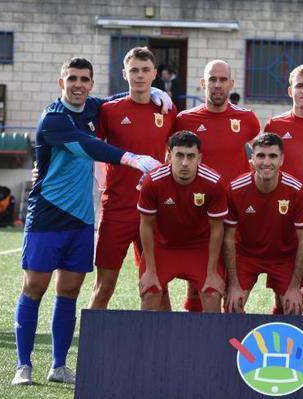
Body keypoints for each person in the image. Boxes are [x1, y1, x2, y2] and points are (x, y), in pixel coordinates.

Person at [11, 57, 164, 386]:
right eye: (72, 79)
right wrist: (132, 158)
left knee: (69, 291)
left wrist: (156, 92)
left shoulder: (94, 107)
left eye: (84, 79)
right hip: (47, 217)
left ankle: (59, 366)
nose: (78, 85)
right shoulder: (53, 119)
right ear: (60, 82)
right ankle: (23, 364)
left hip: (81, 219)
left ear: (91, 83)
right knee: (34, 287)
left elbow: (117, 101)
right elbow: (89, 146)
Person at [88, 47, 176, 311]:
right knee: (104, 286)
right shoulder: (108, 110)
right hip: (117, 207)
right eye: (134, 70)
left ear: (155, 74)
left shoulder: (168, 109)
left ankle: (161, 347)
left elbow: (179, 152)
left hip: (155, 209)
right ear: (124, 74)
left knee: (157, 286)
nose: (139, 75)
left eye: (145, 70)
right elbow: (93, 148)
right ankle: (91, 347)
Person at [176, 59, 261, 312]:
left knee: (234, 284)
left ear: (231, 84)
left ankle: (228, 343)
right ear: (203, 83)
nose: (217, 85)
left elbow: (261, 156)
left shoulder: (247, 119)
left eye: (223, 80)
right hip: (198, 212)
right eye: (212, 79)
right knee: (197, 284)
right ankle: (192, 341)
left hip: (237, 213)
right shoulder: (184, 120)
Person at [137, 131, 228, 313]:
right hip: (163, 247)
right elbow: (146, 225)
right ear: (169, 155)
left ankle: (211, 342)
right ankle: (152, 341)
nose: (185, 162)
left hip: (199, 248)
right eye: (179, 155)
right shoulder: (153, 181)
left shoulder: (213, 182)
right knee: (150, 293)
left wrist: (211, 273)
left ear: (199, 158)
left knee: (212, 293)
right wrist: (150, 271)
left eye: (191, 156)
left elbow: (217, 229)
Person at [223, 133, 303, 315]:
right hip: (246, 256)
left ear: (281, 160)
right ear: (252, 159)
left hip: (283, 257)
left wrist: (295, 286)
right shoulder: (235, 189)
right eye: (261, 156)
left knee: (293, 307)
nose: (266, 162)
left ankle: (279, 340)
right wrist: (233, 284)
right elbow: (229, 238)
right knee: (233, 305)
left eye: (272, 156)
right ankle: (238, 344)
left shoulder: (296, 190)